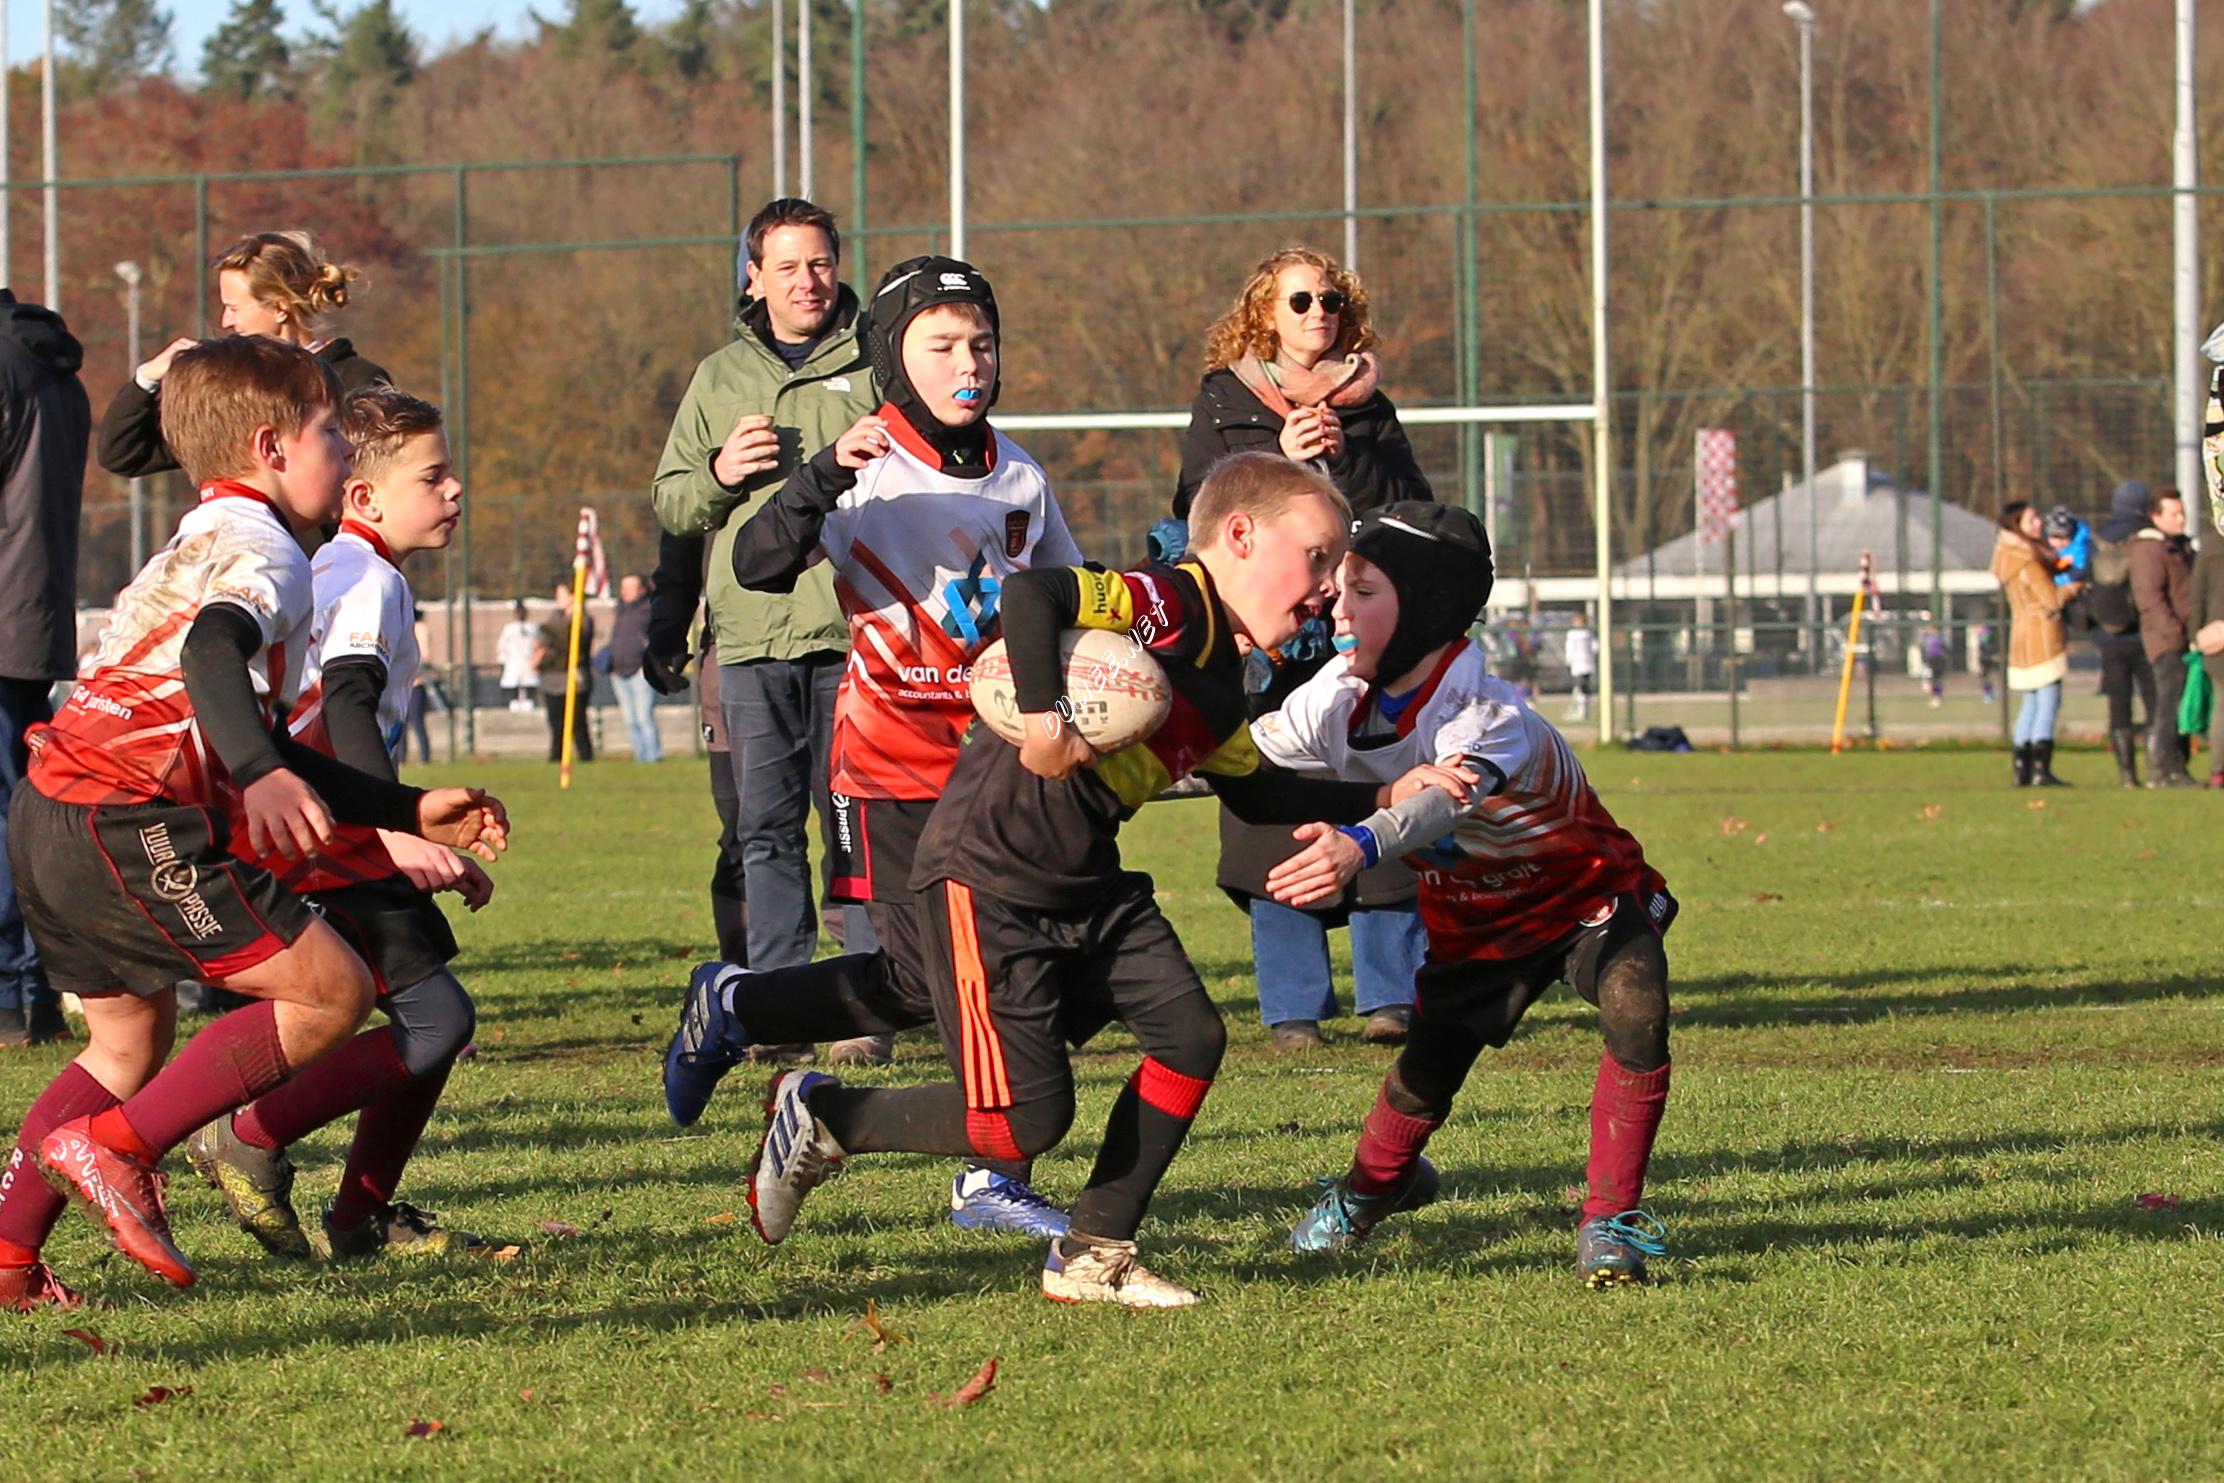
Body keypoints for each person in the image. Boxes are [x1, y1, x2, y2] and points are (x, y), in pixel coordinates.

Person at [724, 454, 1473, 1308]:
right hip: (990, 875)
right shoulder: (1171, 600)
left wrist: (1385, 792)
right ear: (1239, 535)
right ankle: (828, 1115)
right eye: (1316, 558)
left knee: (1191, 1036)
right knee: (1023, 1120)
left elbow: (1260, 789)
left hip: (1087, 883)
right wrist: (1046, 715)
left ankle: (1094, 1251)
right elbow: (1033, 597)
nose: (1326, 589)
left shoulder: (1226, 680)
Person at [0, 337, 506, 1305]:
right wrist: (260, 771)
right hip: (125, 811)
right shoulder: (268, 550)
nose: (345, 456)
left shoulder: (199, 538)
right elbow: (212, 651)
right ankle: (116, 1147)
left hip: (49, 806)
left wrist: (404, 806)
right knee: (330, 989)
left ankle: (9, 1261)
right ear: (271, 445)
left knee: (122, 1047)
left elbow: (242, 705)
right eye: (329, 434)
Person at [710, 255, 1082, 1224]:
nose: (969, 364)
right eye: (942, 346)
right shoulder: (862, 470)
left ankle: (740, 1010)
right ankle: (991, 1177)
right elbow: (754, 561)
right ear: (891, 359)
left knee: (959, 976)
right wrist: (822, 472)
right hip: (887, 769)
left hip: (994, 771)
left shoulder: (1020, 478)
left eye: (982, 344)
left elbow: (1067, 604)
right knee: (954, 982)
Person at [1266, 503, 1679, 1288]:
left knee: (1638, 1001)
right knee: (1426, 1073)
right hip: (1476, 919)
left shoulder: (1486, 712)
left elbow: (1445, 799)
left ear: (1423, 608)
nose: (1336, 604)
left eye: (1364, 590)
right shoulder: (1334, 697)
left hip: (1580, 893)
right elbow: (1244, 763)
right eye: (1340, 587)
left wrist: (1360, 842)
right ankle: (1370, 1191)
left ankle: (1610, 1221)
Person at [187, 386, 493, 1261]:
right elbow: (349, 700)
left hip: (330, 831)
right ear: (364, 497)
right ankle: (253, 1135)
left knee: (433, 1017)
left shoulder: (338, 568)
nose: (455, 490)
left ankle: (359, 1214)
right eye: (432, 476)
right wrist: (400, 832)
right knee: (435, 1020)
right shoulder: (366, 576)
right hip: (329, 844)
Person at [1174, 245, 1432, 1051]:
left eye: (1329, 299)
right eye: (1298, 301)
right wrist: (1278, 462)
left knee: (1376, 780)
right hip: (1272, 641)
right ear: (1264, 314)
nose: (1317, 313)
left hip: (1357, 635)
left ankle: (1391, 997)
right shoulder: (1225, 398)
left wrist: (1347, 457)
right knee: (1270, 806)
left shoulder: (1371, 405)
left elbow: (1412, 510)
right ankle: (1294, 1011)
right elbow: (1196, 505)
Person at [653, 198, 878, 976]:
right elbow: (672, 501)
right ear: (754, 277)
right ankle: (782, 998)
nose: (806, 282)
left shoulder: (879, 363)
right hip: (751, 638)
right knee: (765, 831)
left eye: (818, 263)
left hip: (858, 636)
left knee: (857, 828)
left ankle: (863, 999)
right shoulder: (720, 377)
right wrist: (719, 473)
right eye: (786, 267)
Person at [98, 231, 387, 480]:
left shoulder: (359, 381)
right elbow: (124, 453)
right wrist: (147, 379)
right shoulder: (231, 388)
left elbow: (378, 480)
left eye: (234, 308)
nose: (225, 321)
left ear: (280, 308)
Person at [0, 290, 89, 1049]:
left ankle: (13, 990)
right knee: (23, 809)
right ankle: (32, 988)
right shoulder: (49, 362)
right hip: (29, 615)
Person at [643, 530, 748, 962]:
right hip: (732, 657)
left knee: (849, 829)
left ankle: (869, 984)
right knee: (741, 831)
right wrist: (668, 628)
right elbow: (681, 535)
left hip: (838, 652)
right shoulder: (711, 462)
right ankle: (746, 982)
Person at [1993, 500, 2078, 788]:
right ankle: (2041, 769)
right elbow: (2050, 599)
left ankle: (2022, 769)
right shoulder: (2027, 559)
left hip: (2020, 633)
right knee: (2047, 701)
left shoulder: (2010, 556)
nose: (2039, 523)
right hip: (2041, 634)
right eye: (2031, 520)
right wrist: (2075, 586)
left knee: (2030, 701)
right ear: (2017, 525)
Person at [2086, 480, 2156, 788]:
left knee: (2119, 705)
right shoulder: (2147, 536)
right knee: (2156, 702)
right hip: (2144, 632)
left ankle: (2127, 774)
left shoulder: (2097, 538)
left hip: (2108, 636)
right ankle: (2158, 766)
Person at [2129, 487, 2198, 788]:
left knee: (2180, 704)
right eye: (2173, 513)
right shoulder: (2149, 550)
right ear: (2156, 517)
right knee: (2167, 705)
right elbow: (2150, 598)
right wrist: (2175, 632)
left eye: (2182, 512)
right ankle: (2164, 769)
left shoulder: (2178, 547)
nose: (2181, 519)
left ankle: (2177, 767)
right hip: (2167, 640)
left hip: (2183, 637)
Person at [532, 579, 594, 764]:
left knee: (577, 721)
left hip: (574, 677)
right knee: (556, 721)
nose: (558, 598)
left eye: (562, 594)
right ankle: (556, 756)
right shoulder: (554, 617)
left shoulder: (583, 620)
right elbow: (543, 638)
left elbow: (566, 639)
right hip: (553, 677)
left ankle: (585, 756)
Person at [606, 573, 662, 762]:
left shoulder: (650, 610)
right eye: (623, 588)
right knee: (630, 720)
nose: (625, 592)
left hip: (640, 672)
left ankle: (653, 756)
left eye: (630, 588)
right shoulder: (621, 610)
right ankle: (640, 756)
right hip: (619, 672)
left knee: (643, 717)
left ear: (642, 589)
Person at [2189, 536, 2224, 787]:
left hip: (2217, 635)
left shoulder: (2211, 547)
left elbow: (2197, 597)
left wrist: (2196, 636)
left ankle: (2218, 770)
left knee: (2221, 707)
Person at [402, 605, 435, 764]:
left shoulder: (419, 628)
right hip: (403, 684)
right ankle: (401, 758)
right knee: (401, 725)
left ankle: (424, 757)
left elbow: (424, 656)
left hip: (415, 683)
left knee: (416, 721)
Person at [496, 600, 539, 713]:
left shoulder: (531, 628)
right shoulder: (512, 629)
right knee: (515, 685)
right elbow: (502, 647)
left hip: (524, 662)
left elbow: (502, 647)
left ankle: (526, 705)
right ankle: (516, 705)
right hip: (516, 662)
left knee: (527, 685)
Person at [1565, 614, 1599, 721]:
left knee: (1582, 687)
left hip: (1582, 664)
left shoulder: (1585, 633)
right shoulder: (1576, 633)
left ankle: (1583, 711)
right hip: (1580, 664)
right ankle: (1582, 710)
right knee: (1582, 687)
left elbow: (1595, 647)